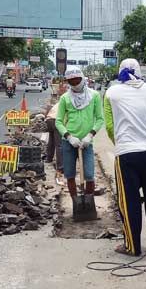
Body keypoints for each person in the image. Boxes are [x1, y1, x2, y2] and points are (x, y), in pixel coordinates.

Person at [104, 59, 146, 256]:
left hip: (126, 155)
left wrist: (122, 142)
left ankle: (132, 246)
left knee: (129, 202)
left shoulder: (111, 93)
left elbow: (109, 126)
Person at [55, 68, 104, 199]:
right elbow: (58, 122)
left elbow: (100, 119)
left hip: (87, 142)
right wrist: (69, 137)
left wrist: (90, 135)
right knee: (70, 174)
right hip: (69, 143)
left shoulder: (94, 96)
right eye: (71, 82)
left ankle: (88, 201)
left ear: (82, 79)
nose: (75, 84)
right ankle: (75, 202)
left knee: (89, 174)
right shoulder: (65, 98)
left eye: (77, 80)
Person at [43, 82, 67, 185]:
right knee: (59, 145)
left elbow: (48, 111)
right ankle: (61, 167)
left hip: (49, 120)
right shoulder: (67, 103)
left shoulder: (60, 102)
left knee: (51, 141)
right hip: (56, 121)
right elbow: (66, 119)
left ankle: (49, 159)